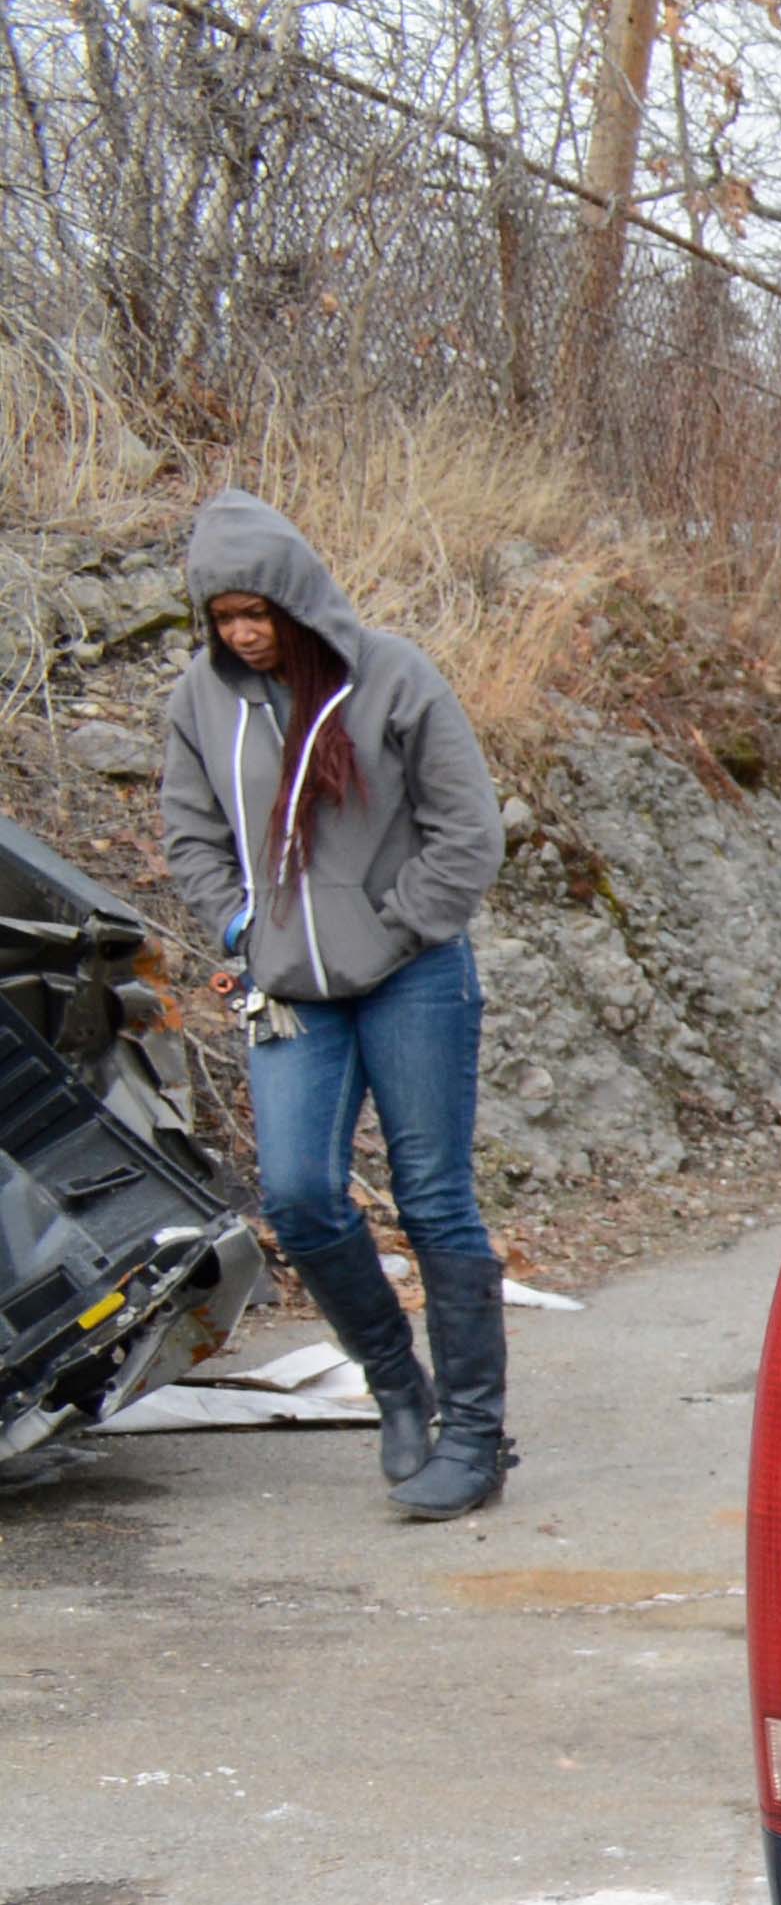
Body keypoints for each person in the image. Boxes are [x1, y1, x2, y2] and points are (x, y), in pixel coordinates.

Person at [147, 491, 514, 1518]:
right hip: (289, 990)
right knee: (301, 1195)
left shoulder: (393, 675)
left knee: (435, 1196)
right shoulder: (200, 702)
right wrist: (239, 932)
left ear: (298, 599)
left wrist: (394, 927)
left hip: (414, 974)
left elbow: (467, 830)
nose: (243, 632)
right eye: (222, 617)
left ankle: (477, 1438)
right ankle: (400, 1386)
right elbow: (191, 836)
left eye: (257, 611)